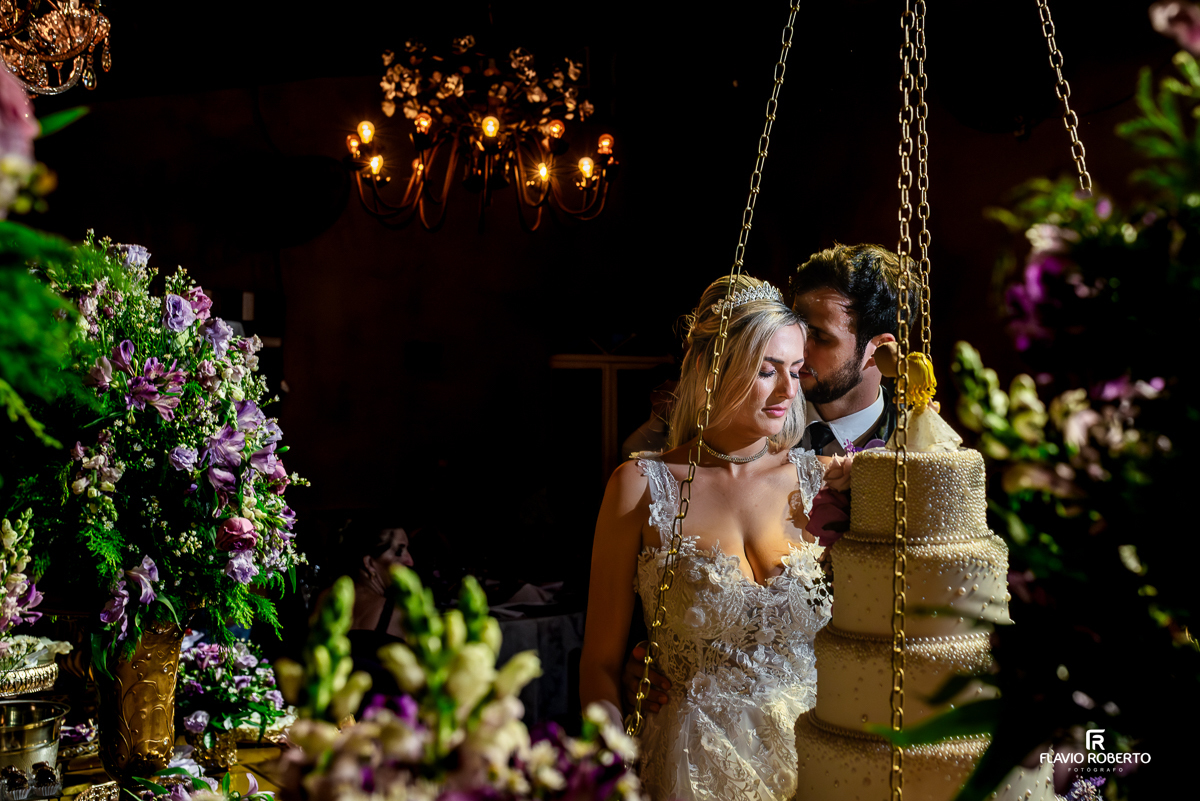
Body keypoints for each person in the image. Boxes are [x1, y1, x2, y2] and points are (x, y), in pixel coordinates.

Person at [619, 242, 916, 715]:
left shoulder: (921, 453)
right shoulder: (694, 441)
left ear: (876, 351)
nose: (798, 347)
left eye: (818, 337)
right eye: (770, 364)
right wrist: (642, 659)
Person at [580, 275, 831, 801]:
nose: (788, 390)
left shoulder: (819, 483)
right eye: (766, 371)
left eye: (795, 370)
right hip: (692, 768)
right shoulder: (641, 487)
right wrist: (610, 769)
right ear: (710, 371)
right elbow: (600, 665)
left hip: (819, 761)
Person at [792, 242, 916, 456]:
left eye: (820, 337)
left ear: (880, 348)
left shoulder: (916, 450)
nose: (797, 350)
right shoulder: (756, 422)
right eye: (795, 328)